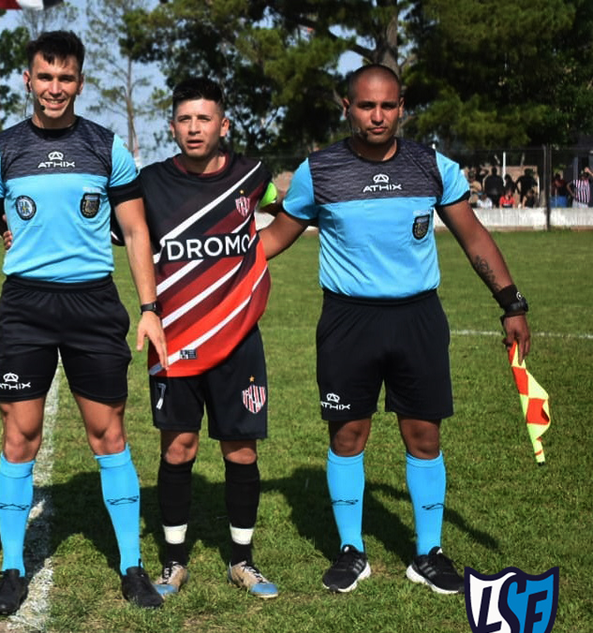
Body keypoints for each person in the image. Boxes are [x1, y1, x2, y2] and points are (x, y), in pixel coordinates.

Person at [261, 64, 531, 595]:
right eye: (366, 105)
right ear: (347, 107)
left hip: (417, 319)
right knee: (347, 434)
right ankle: (350, 550)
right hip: (347, 321)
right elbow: (273, 240)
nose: (377, 115)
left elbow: (473, 236)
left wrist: (510, 302)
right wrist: (205, 253)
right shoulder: (320, 170)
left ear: (402, 107)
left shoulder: (431, 166)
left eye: (387, 106)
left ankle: (428, 553)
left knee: (423, 436)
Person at [0, 30, 168, 616]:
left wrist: (150, 311)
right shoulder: (3, 150)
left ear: (80, 81)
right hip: (24, 308)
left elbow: (137, 232)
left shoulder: (106, 147)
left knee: (109, 434)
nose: (54, 88)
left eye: (65, 78)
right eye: (45, 77)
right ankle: (15, 568)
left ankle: (131, 566)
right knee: (19, 436)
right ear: (28, 79)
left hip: (94, 306)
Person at [134, 78, 281, 600]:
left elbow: (280, 214)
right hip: (172, 339)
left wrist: (253, 263)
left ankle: (242, 561)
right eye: (184, 119)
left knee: (240, 451)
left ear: (223, 124)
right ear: (172, 125)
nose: (194, 128)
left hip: (238, 338)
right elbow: (122, 236)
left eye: (204, 119)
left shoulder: (251, 175)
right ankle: (174, 562)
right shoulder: (148, 183)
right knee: (179, 447)